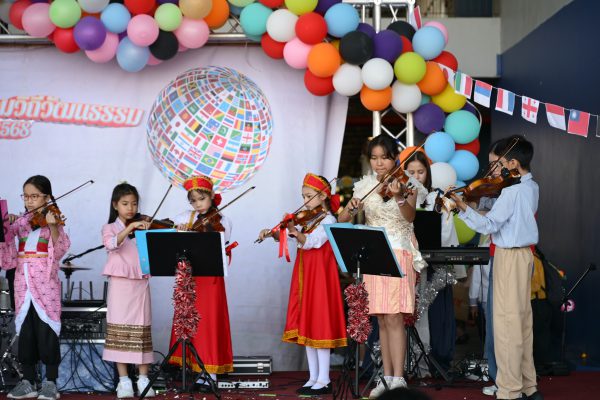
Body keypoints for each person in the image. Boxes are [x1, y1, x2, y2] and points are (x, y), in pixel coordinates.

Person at [449, 135, 542, 400]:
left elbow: (489, 225)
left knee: (505, 325)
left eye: (497, 165)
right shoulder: (531, 185)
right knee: (521, 322)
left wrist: (462, 208)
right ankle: (528, 386)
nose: (493, 172)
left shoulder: (511, 192)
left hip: (509, 257)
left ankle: (509, 389)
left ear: (512, 164)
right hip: (524, 257)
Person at [338, 135, 426, 398]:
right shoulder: (364, 185)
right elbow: (342, 218)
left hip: (399, 252)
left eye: (384, 158)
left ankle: (399, 378)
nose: (379, 163)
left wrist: (399, 197)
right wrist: (350, 207)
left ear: (394, 158)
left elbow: (409, 217)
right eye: (374, 158)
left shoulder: (407, 184)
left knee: (395, 317)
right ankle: (386, 377)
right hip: (374, 254)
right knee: (383, 319)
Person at [258, 173, 347, 396]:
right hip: (305, 275)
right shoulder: (307, 219)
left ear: (323, 196)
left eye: (309, 196)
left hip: (321, 277)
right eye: (303, 196)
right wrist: (272, 234)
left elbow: (312, 242)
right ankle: (313, 377)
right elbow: (290, 238)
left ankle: (324, 379)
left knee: (320, 323)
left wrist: (294, 231)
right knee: (307, 323)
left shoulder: (328, 220)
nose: (305, 201)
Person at [5, 175, 70, 400]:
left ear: (47, 197)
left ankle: (50, 382)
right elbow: (6, 239)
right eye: (26, 196)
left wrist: (52, 226)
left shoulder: (54, 219)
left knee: (47, 329)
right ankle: (28, 381)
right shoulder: (22, 221)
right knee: (26, 330)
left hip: (44, 281)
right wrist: (7, 222)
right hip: (22, 280)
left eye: (34, 196)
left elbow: (59, 250)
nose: (29, 201)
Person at [168, 176, 233, 387]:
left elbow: (221, 242)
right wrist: (178, 231)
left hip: (210, 277)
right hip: (190, 277)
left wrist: (206, 230)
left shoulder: (222, 220)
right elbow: (169, 230)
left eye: (202, 199)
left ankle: (210, 374)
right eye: (193, 201)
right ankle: (194, 371)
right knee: (189, 321)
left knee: (208, 322)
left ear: (212, 196)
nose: (198, 204)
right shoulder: (186, 217)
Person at [101, 183, 155, 399]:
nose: (130, 208)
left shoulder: (144, 226)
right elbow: (111, 244)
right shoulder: (109, 228)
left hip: (140, 283)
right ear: (115, 205)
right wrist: (130, 228)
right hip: (120, 285)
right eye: (125, 203)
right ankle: (124, 381)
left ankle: (143, 379)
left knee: (142, 327)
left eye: (134, 203)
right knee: (119, 331)